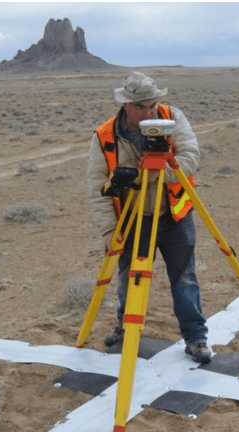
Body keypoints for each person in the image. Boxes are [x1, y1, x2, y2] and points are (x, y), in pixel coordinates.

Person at [86, 71, 211, 363]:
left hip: (174, 215)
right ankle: (125, 328)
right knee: (129, 277)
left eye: (151, 104)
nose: (148, 112)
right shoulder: (105, 136)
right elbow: (98, 187)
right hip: (133, 219)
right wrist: (108, 230)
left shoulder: (172, 118)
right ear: (125, 104)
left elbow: (191, 156)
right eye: (140, 106)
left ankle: (196, 337)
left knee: (185, 278)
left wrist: (161, 172)